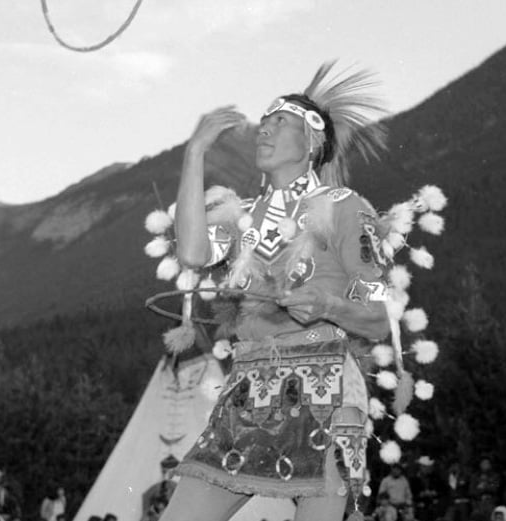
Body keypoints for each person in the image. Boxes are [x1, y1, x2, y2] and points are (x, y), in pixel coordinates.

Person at [161, 61, 398, 521]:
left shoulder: (346, 209)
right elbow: (192, 252)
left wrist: (328, 305)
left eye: (280, 122)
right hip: (247, 391)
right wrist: (194, 154)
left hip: (326, 387)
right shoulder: (241, 217)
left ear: (312, 142)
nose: (264, 131)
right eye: (263, 123)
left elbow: (378, 317)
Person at [412, 457, 447, 521]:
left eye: (429, 467)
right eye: (426, 467)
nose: (429, 469)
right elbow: (412, 495)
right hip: (420, 507)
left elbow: (443, 491)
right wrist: (420, 495)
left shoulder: (435, 478)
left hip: (434, 507)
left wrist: (435, 493)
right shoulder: (414, 480)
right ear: (421, 467)